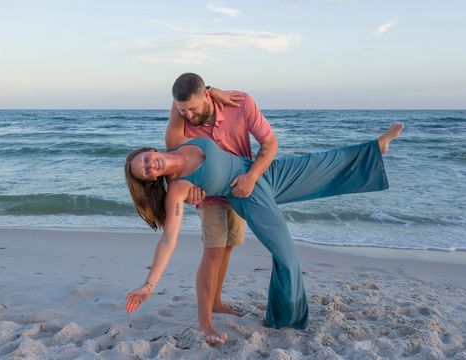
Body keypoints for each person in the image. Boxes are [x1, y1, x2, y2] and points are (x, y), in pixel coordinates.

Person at [124, 122, 404, 343]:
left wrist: (212, 90)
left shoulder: (180, 140)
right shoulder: (178, 189)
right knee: (286, 254)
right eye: (146, 171)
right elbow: (169, 239)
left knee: (316, 163)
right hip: (249, 196)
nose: (150, 165)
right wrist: (149, 285)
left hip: (260, 172)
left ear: (150, 150)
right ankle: (285, 318)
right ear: (152, 179)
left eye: (146, 159)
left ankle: (375, 148)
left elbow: (182, 95)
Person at [162, 73, 279, 344]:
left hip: (240, 189)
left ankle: (216, 301)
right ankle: (205, 322)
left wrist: (252, 177)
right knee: (213, 251)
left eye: (193, 108)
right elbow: (175, 158)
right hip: (210, 195)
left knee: (228, 246)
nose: (189, 115)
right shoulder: (180, 121)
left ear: (206, 97)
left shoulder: (239, 103)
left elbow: (270, 144)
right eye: (182, 110)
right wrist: (188, 190)